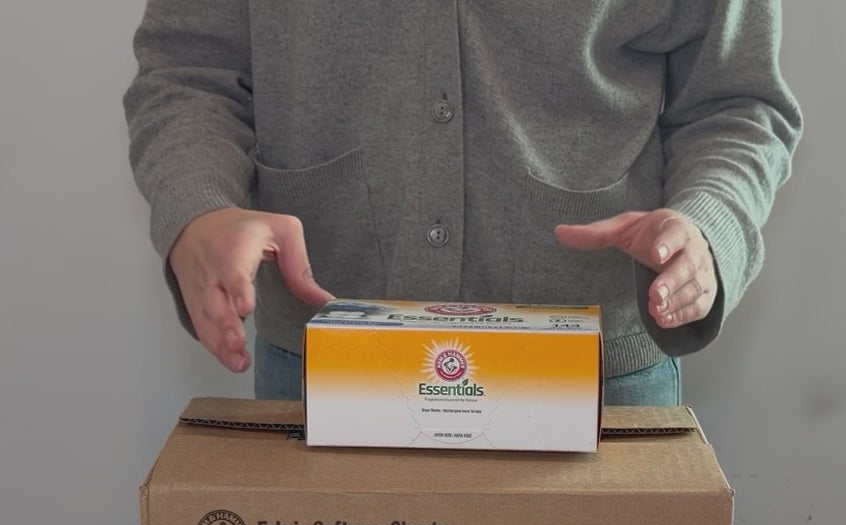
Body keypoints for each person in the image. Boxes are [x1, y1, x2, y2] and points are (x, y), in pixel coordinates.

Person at [123, 0, 802, 405]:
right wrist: (201, 208)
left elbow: (735, 102)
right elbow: (190, 74)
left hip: (599, 376)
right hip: (323, 362)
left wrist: (708, 222)